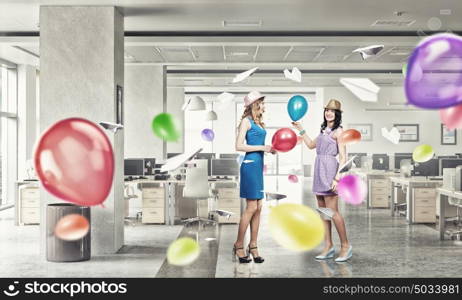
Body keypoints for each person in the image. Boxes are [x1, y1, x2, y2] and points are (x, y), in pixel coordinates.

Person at [292, 99, 352, 262]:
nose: (329, 113)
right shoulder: (324, 130)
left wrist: (338, 177)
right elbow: (311, 145)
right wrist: (300, 129)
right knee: (323, 213)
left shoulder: (339, 131)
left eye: (332, 111)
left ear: (337, 114)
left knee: (333, 212)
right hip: (319, 169)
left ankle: (345, 246)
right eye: (327, 110)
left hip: (330, 169)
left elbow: (343, 155)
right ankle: (328, 246)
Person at [233, 91, 275, 263]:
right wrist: (262, 147)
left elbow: (260, 147)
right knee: (251, 207)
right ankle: (238, 245)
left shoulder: (259, 123)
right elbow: (239, 145)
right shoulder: (246, 121)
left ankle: (254, 245)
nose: (264, 106)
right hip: (249, 167)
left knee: (258, 207)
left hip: (258, 167)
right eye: (262, 103)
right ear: (255, 104)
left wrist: (269, 149)